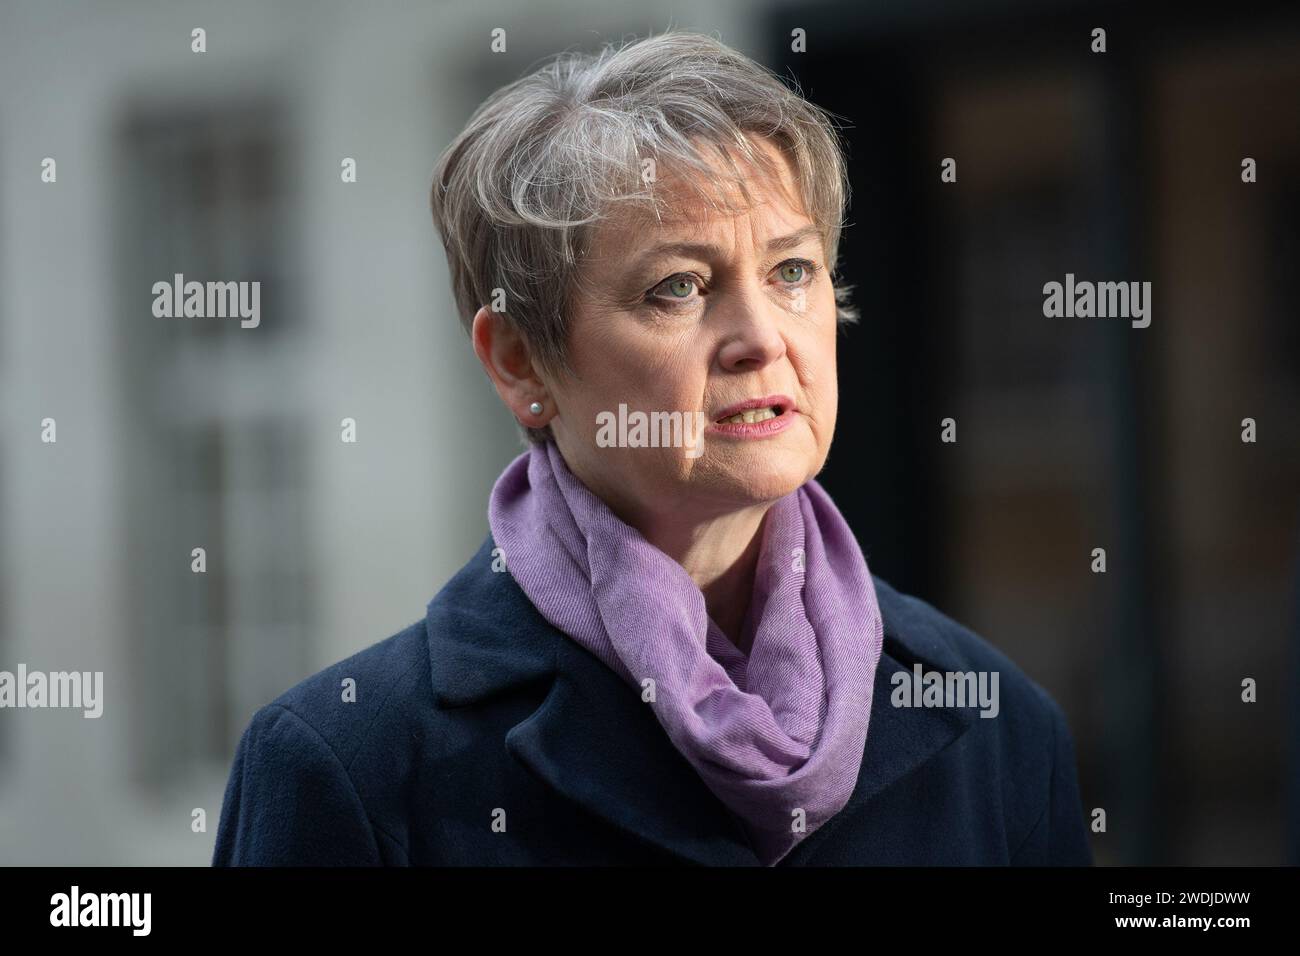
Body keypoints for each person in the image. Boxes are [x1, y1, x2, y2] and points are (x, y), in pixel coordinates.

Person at [212, 29, 1092, 867]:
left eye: (792, 271)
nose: (760, 337)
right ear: (522, 360)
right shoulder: (350, 767)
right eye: (679, 287)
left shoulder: (996, 724)